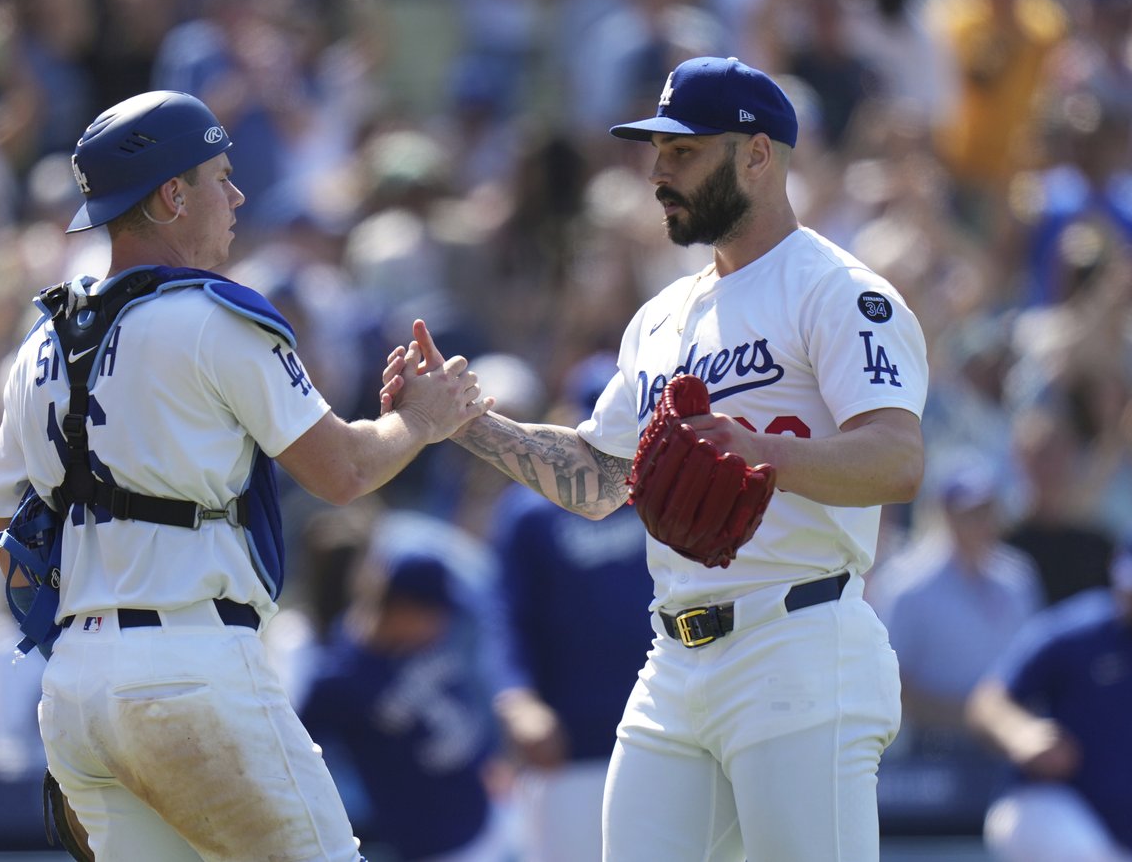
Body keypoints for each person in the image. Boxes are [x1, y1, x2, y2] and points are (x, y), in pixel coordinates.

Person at [382, 55, 928, 861]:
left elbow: (898, 457)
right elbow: (604, 479)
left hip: (799, 642)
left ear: (758, 154)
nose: (658, 171)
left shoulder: (837, 291)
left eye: (684, 151)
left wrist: (760, 453)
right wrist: (463, 425)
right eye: (657, 151)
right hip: (675, 657)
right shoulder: (664, 317)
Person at [0, 90, 490, 862]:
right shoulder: (214, 315)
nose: (237, 194)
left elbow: (1, 533)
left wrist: (100, 641)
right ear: (170, 194)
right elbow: (344, 470)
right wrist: (420, 420)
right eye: (220, 175)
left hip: (77, 689)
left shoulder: (40, 343)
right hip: (190, 667)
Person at [486, 353, 654, 862]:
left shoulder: (667, 494)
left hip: (667, 732)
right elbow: (507, 617)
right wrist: (516, 699)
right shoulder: (530, 513)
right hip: (570, 746)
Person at [966, 507, 1132, 862]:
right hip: (1044, 805)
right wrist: (1020, 732)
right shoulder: (1079, 630)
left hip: (1127, 835)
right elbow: (987, 702)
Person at [299, 543, 508, 862]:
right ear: (401, 609)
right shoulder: (339, 678)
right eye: (433, 613)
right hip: (426, 845)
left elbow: (464, 705)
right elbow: (298, 756)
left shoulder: (426, 644)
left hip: (486, 817)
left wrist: (488, 756)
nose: (443, 623)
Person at [868, 462, 1044, 755]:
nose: (982, 522)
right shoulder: (906, 585)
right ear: (945, 513)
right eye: (970, 513)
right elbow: (891, 685)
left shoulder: (1017, 577)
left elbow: (1033, 663)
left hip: (1004, 743)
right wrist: (977, 717)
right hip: (928, 747)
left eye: (987, 510)